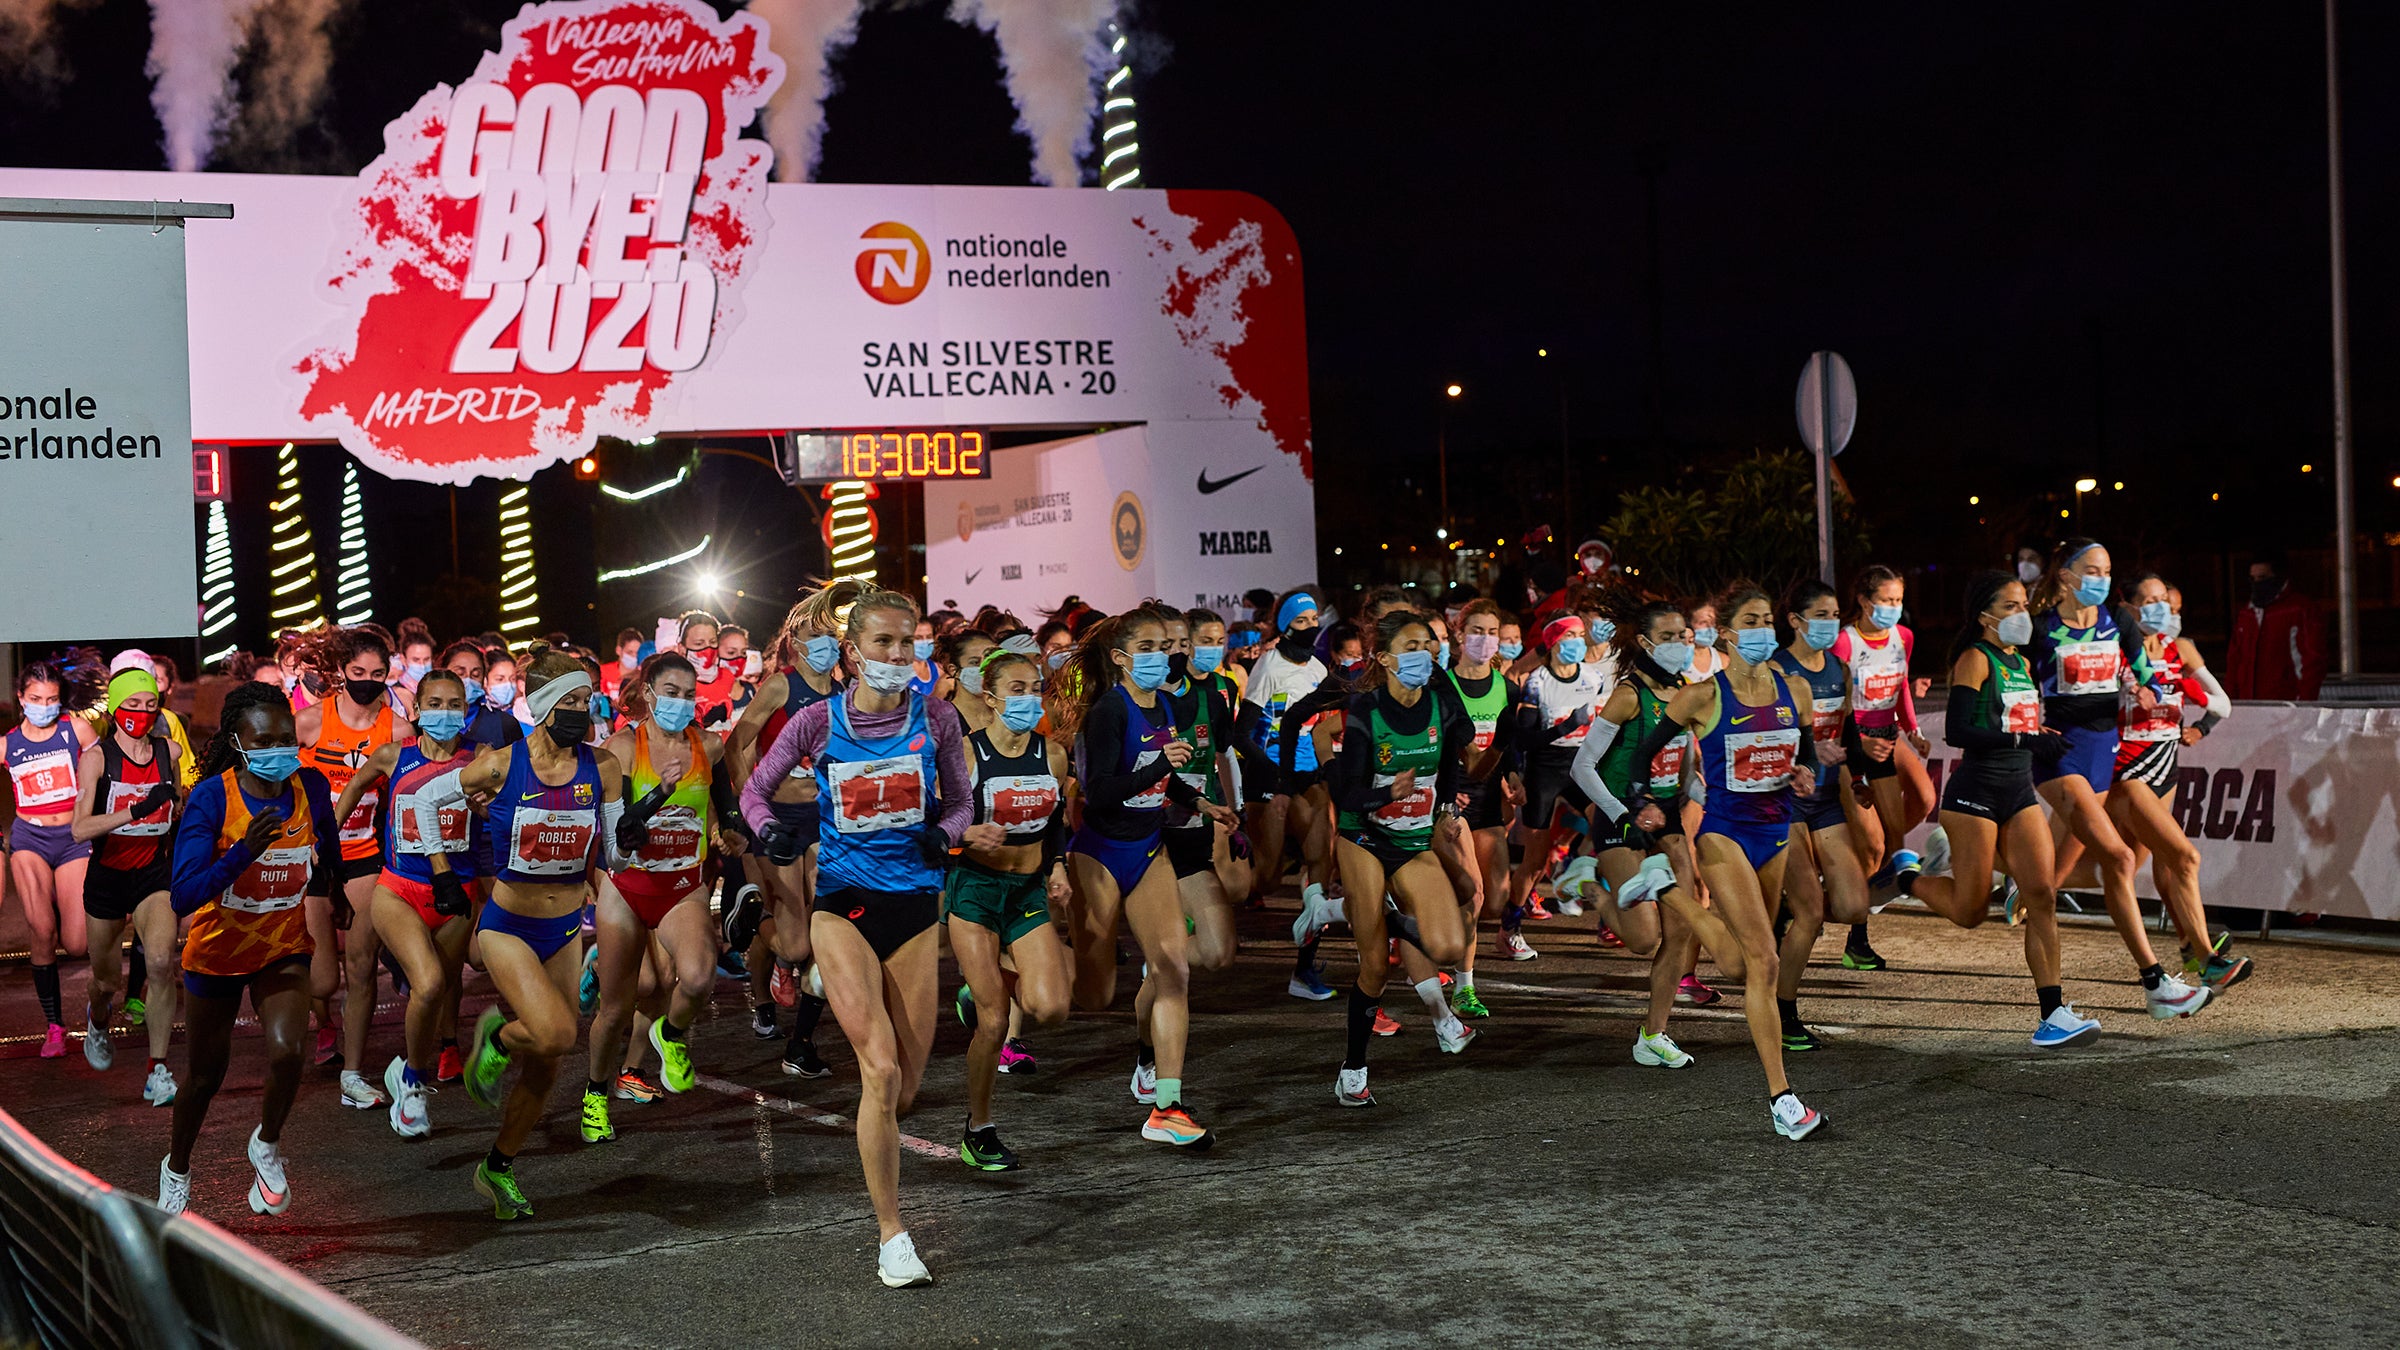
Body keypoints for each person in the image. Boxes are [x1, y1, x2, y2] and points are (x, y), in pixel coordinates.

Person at [741, 586, 969, 1287]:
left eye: (909, 643)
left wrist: (944, 834)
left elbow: (962, 802)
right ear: (852, 653)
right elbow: (754, 790)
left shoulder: (937, 719)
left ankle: (817, 981)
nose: (899, 656)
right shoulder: (816, 721)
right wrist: (769, 830)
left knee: (906, 1086)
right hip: (842, 904)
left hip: (913, 910)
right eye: (884, 644)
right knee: (880, 1070)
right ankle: (892, 1236)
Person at [411, 651, 627, 1220]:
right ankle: (496, 1040)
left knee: (549, 1064)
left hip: (563, 929)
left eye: (587, 702)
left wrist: (628, 832)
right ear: (541, 704)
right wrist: (441, 872)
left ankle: (497, 1167)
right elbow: (428, 798)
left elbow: (614, 855)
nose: (580, 712)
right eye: (570, 702)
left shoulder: (602, 767)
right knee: (555, 1033)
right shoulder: (503, 764)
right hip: (506, 926)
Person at [1616, 583, 1825, 1139]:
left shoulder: (1795, 690)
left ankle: (1666, 890)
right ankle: (1783, 1099)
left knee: (1741, 966)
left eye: (1768, 619)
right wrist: (1647, 804)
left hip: (1776, 833)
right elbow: (1642, 753)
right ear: (1729, 634)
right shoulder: (1702, 697)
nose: (1764, 630)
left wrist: (1807, 774)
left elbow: (1804, 755)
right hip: (1723, 836)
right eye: (1751, 622)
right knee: (1765, 961)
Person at [158, 680, 343, 1216]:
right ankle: (177, 1167)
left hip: (282, 947)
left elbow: (325, 844)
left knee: (289, 1050)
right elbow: (184, 894)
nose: (277, 749)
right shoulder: (214, 797)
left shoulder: (310, 786)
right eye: (263, 741)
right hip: (217, 953)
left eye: (286, 738)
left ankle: (265, 1143)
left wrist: (333, 892)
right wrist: (244, 851)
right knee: (203, 1078)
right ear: (237, 742)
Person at [1057, 607, 1240, 1149]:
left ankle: (1167, 1107)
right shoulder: (1108, 712)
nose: (1164, 656)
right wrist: (1163, 766)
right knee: (1094, 994)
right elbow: (1101, 792)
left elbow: (1168, 779)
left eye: (1167, 647)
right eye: (1151, 648)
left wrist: (1203, 801)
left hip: (1148, 848)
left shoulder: (1162, 702)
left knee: (1172, 969)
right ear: (1120, 658)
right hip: (1099, 853)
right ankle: (1012, 984)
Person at [1887, 571, 2089, 1047]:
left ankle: (2053, 1013)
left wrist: (2040, 738)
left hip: (2018, 794)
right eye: (2012, 607)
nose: (2023, 615)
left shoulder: (2020, 661)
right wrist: (2024, 738)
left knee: (2041, 895)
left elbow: (2018, 722)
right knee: (1971, 912)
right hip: (1974, 796)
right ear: (1984, 616)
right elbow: (1958, 732)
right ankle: (1907, 877)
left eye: (2024, 605)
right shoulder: (1975, 659)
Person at [2019, 540, 2209, 1020]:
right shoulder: (2040, 631)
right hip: (2061, 756)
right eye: (2092, 570)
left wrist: (2147, 689)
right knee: (2121, 857)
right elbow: (2014, 682)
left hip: (2103, 754)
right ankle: (2155, 982)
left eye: (2106, 570)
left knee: (2048, 880)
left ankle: (1987, 866)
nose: (2101, 579)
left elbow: (2145, 671)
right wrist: (2030, 723)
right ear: (2066, 576)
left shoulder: (2117, 622)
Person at [1321, 610, 1477, 1107]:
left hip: (1413, 840)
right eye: (1411, 647)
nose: (1424, 654)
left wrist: (1446, 809)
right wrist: (1388, 790)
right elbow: (1347, 794)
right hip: (1363, 836)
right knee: (1374, 968)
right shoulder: (1367, 709)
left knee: (1449, 945)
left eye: (1429, 645)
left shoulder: (1440, 701)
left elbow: (1461, 746)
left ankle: (1374, 915)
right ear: (1384, 659)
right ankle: (1353, 1068)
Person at [580, 653, 734, 1144]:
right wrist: (660, 794)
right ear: (647, 693)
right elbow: (620, 835)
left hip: (682, 885)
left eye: (689, 695)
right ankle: (596, 1094)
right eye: (671, 693)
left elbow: (727, 810)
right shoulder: (622, 748)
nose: (681, 703)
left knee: (697, 975)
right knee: (617, 1007)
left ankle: (670, 1034)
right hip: (627, 887)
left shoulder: (709, 744)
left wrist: (732, 833)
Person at [332, 669, 482, 1139]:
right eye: (434, 704)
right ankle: (414, 1083)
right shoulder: (393, 756)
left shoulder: (479, 761)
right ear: (416, 710)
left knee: (441, 987)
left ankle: (413, 1071)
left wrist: (483, 806)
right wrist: (327, 844)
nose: (444, 713)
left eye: (453, 703)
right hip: (398, 888)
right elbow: (354, 787)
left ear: (465, 710)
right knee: (431, 982)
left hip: (457, 892)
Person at [944, 648, 1072, 1169]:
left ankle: (980, 989)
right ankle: (979, 1129)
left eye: (1034, 687)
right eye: (1016, 690)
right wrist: (965, 838)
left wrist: (1058, 864)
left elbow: (1057, 820)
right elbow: (937, 829)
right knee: (995, 1025)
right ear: (991, 698)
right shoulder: (966, 756)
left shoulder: (1054, 755)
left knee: (1052, 1007)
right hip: (974, 890)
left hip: (1026, 892)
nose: (1028, 698)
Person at [1566, 598, 1707, 1071]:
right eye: (1668, 638)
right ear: (1646, 644)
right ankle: (1590, 886)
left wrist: (1699, 793)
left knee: (1683, 927)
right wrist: (1621, 814)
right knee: (1644, 940)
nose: (1680, 645)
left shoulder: (1688, 689)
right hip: (1619, 818)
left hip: (1665, 818)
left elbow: (1685, 763)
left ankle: (1654, 1035)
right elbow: (1582, 767)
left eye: (1684, 636)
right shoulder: (1628, 696)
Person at [729, 591, 849, 1079]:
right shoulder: (781, 685)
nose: (824, 645)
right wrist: (748, 803)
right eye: (814, 636)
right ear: (795, 642)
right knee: (797, 945)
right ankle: (753, 917)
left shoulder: (844, 692)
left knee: (827, 927)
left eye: (831, 637)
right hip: (778, 819)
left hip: (825, 822)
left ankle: (801, 1044)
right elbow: (739, 742)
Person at [2112, 576, 2251, 991]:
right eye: (2151, 601)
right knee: (2183, 857)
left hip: (2165, 765)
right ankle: (2207, 958)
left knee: (2129, 863)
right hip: (2126, 768)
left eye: (2166, 603)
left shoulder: (2181, 649)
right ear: (2131, 607)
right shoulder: (2117, 649)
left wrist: (2198, 721)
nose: (2162, 610)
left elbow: (2222, 703)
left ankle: (2023, 878)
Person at [297, 627, 415, 1106]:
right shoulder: (308, 723)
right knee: (323, 979)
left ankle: (352, 1074)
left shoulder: (398, 730)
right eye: (358, 673)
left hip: (364, 855)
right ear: (340, 673)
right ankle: (323, 1022)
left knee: (363, 967)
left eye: (378, 674)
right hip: (313, 857)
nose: (368, 681)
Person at [1766, 581, 1873, 1051]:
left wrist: (1859, 767)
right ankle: (1784, 1012)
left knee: (1852, 907)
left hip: (1826, 797)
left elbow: (1844, 726)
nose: (1831, 622)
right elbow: (1761, 735)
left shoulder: (1840, 669)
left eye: (1835, 613)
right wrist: (1804, 753)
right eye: (1822, 614)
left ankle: (1782, 911)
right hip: (1784, 797)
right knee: (1812, 913)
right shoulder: (1774, 669)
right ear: (1795, 620)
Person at [72, 667, 184, 1104]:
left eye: (149, 703)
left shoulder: (168, 751)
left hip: (153, 877)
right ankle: (98, 1019)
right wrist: (135, 811)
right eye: (131, 704)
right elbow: (80, 829)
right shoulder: (97, 758)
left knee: (159, 962)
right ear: (115, 709)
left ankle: (158, 1069)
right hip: (106, 879)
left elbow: (177, 805)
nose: (140, 712)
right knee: (106, 981)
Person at [1828, 565, 1934, 971]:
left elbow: (1901, 684)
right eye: (1886, 600)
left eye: (1898, 601)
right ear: (1863, 600)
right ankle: (1857, 936)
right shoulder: (1843, 642)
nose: (1893, 608)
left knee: (1922, 801)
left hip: (1887, 734)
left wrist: (1914, 729)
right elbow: (1835, 703)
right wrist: (1858, 748)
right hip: (1851, 740)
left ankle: (1884, 875)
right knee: (1876, 844)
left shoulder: (1902, 636)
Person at [1234, 589, 1336, 998]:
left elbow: (1326, 725)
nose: (1311, 627)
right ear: (1283, 626)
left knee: (1319, 869)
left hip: (1309, 775)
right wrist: (1276, 776)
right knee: (1269, 879)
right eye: (1301, 621)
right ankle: (1206, 890)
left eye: (1314, 619)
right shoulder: (1268, 666)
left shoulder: (1318, 668)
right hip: (1270, 777)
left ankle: (1304, 970)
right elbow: (1243, 736)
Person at [8, 652, 103, 1056]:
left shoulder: (76, 731)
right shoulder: (7, 744)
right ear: (20, 697)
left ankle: (69, 902)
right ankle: (54, 1026)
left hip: (73, 840)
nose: (43, 707)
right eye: (35, 698)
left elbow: (108, 768)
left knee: (78, 943)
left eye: (51, 700)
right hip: (29, 841)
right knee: (41, 930)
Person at [1502, 613, 1609, 960]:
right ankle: (1510, 929)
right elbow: (1525, 740)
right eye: (1571, 635)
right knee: (1534, 862)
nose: (1579, 641)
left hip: (1582, 766)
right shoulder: (1537, 682)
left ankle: (1594, 894)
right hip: (1544, 770)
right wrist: (1565, 727)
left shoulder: (1593, 678)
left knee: (1609, 829)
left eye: (1581, 634)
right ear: (1553, 643)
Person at [1442, 599, 1523, 1017]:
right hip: (1452, 799)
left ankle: (1420, 924)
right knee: (1473, 895)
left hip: (1490, 798)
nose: (1485, 639)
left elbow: (1508, 747)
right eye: (1476, 631)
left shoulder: (1507, 687)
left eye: (1492, 632)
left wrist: (1514, 778)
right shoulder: (1442, 685)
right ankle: (1464, 988)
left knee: (1495, 901)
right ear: (1458, 634)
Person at [2223, 549, 2327, 701]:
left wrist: (2304, 702)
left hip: (2286, 705)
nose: (2257, 583)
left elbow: (2313, 661)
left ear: (2278, 576)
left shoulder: (2300, 610)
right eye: (2254, 578)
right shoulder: (2248, 614)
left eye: (2263, 577)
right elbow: (2234, 661)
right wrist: (2231, 700)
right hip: (2249, 704)